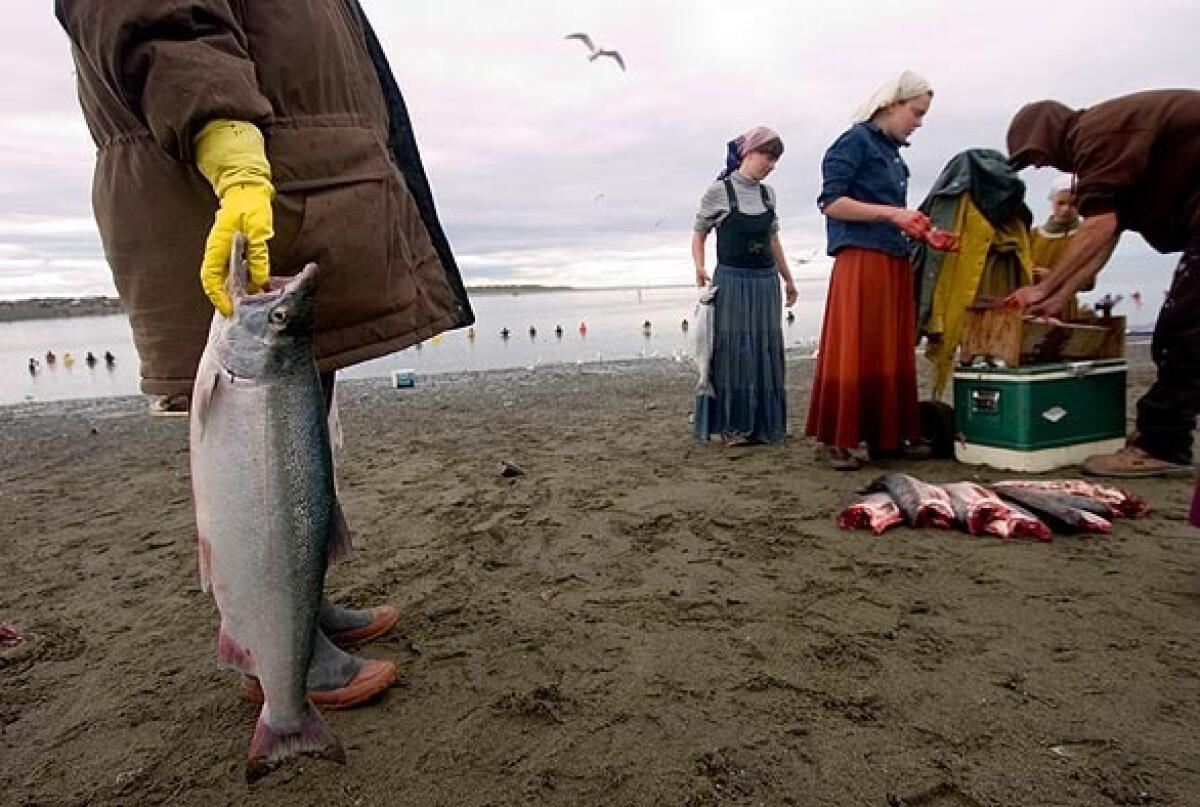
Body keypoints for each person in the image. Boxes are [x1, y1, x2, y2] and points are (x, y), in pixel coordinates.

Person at [58, 0, 474, 707]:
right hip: (219, 178)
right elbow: (162, 20)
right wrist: (226, 142)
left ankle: (299, 601)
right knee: (258, 455)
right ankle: (276, 645)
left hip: (302, 181)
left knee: (303, 408)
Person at [1005, 90, 1200, 477]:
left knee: (1183, 330)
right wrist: (1061, 296)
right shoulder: (1104, 141)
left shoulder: (1096, 134)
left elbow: (1098, 226)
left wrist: (1043, 288)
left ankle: (1163, 445)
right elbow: (1107, 234)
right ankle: (1158, 436)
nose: (1040, 164)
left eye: (1034, 154)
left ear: (1047, 133)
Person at [805, 71, 937, 469]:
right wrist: (894, 214)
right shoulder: (854, 142)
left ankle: (887, 436)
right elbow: (832, 203)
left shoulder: (894, 154)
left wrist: (923, 229)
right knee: (854, 346)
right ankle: (837, 438)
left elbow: (894, 215)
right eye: (916, 113)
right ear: (892, 104)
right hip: (860, 257)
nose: (918, 122)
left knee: (891, 348)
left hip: (893, 257)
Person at [691, 126, 798, 446]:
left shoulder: (769, 194)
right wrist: (698, 266)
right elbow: (699, 232)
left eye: (776, 160)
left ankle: (767, 426)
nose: (772, 165)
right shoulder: (719, 191)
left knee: (766, 352)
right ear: (748, 154)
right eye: (768, 157)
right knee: (734, 353)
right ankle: (734, 426)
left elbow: (773, 239)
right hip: (732, 282)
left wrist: (788, 279)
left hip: (765, 283)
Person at [1029, 174, 1087, 318]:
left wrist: (1052, 277)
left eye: (1073, 204)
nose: (1066, 209)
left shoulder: (1084, 235)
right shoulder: (1034, 235)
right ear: (1052, 202)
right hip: (1031, 305)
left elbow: (1088, 281)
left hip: (1064, 308)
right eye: (1061, 203)